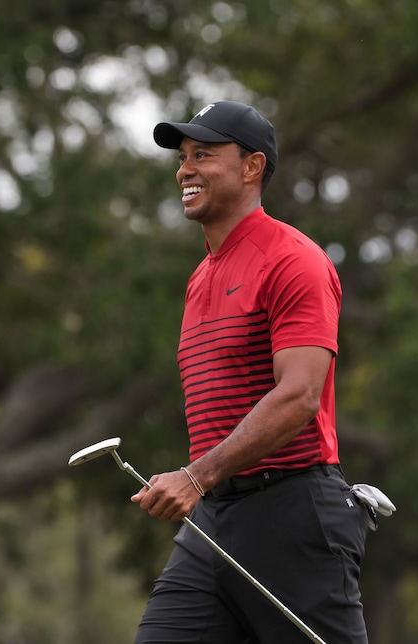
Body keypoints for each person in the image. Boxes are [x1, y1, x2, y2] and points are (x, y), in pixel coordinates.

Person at [131, 100, 369, 643]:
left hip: (295, 515)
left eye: (204, 155)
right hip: (215, 520)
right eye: (184, 156)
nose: (185, 169)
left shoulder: (294, 261)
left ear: (251, 167)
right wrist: (206, 484)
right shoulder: (200, 277)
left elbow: (300, 395)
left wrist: (195, 476)